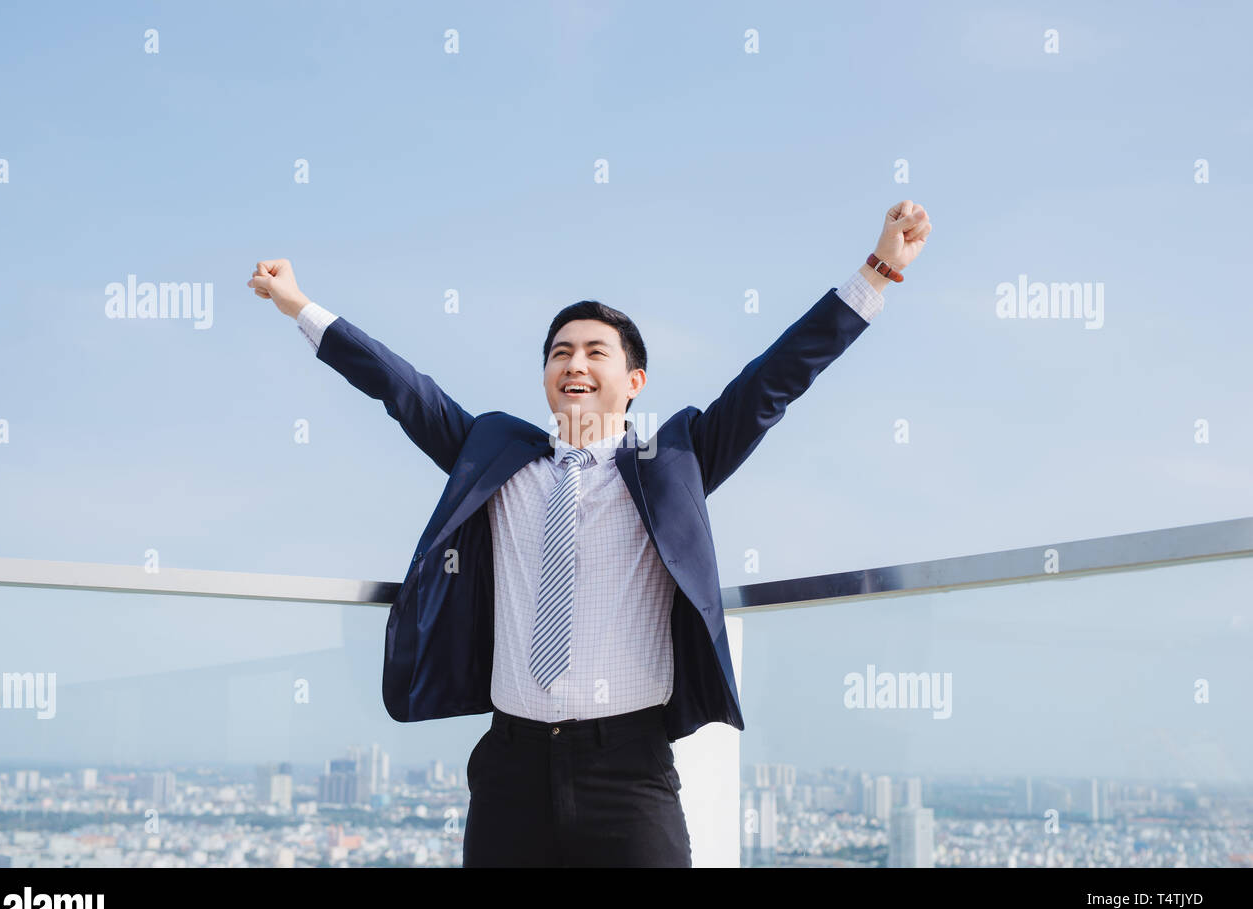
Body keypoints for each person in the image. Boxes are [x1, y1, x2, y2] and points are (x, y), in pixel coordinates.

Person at [247, 201, 931, 866]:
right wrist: (300, 305)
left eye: (593, 352)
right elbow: (401, 388)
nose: (573, 363)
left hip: (627, 772)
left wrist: (875, 272)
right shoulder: (494, 456)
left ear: (633, 380)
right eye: (559, 353)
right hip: (510, 768)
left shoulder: (677, 460)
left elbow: (774, 381)